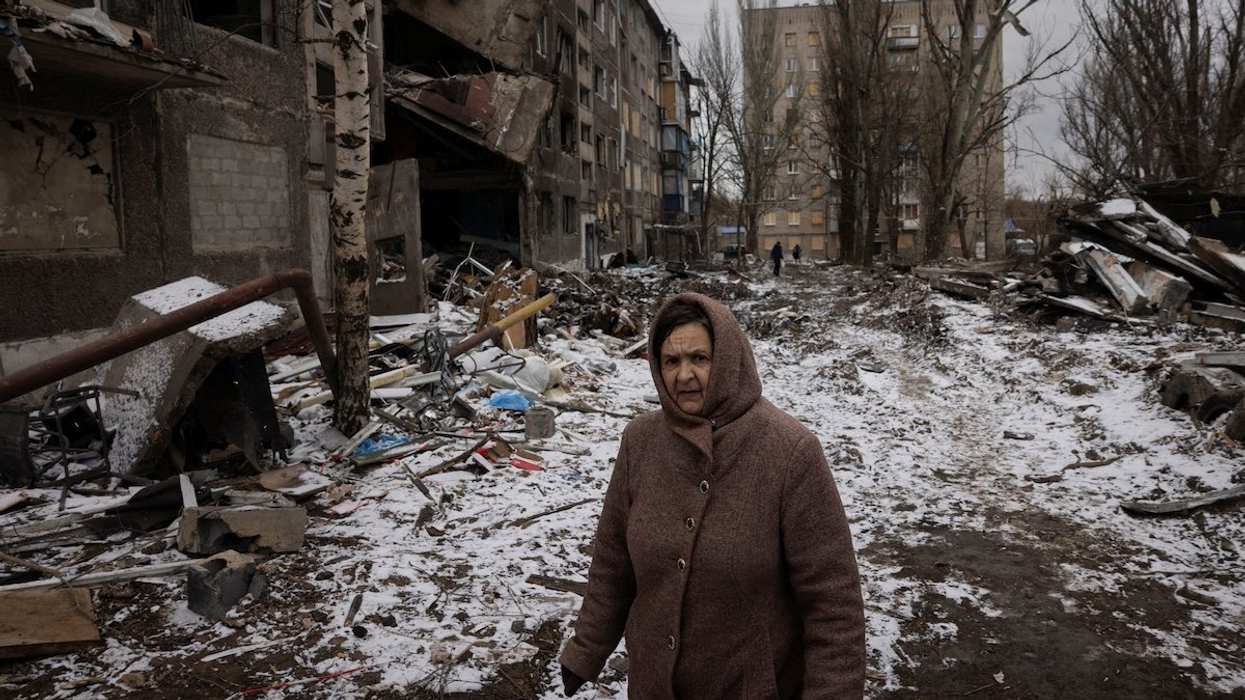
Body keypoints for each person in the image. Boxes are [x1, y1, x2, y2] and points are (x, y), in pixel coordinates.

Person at [559, 293, 866, 699]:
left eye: (699, 359)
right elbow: (613, 562)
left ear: (728, 360)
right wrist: (587, 648)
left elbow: (833, 603)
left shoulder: (790, 451)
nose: (684, 375)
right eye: (671, 361)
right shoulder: (641, 441)